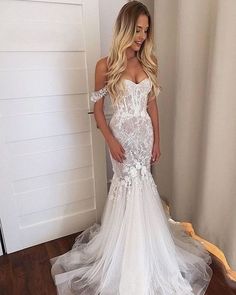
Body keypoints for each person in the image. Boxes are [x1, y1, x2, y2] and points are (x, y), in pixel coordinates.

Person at [50, 1, 213, 294]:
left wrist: (158, 141)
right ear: (125, 27)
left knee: (144, 184)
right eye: (137, 29)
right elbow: (98, 110)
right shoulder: (105, 65)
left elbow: (152, 107)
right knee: (126, 186)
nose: (141, 36)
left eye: (146, 30)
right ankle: (125, 252)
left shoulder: (149, 62)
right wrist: (110, 140)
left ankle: (147, 247)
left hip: (144, 138)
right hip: (121, 139)